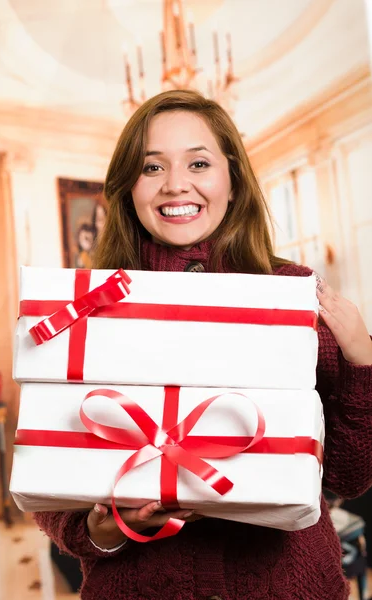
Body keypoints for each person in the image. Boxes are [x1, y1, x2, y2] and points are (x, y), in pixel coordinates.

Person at [34, 90, 372, 600]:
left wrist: (362, 361)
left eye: (198, 161)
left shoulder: (296, 293)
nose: (176, 184)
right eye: (152, 167)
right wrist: (100, 532)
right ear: (128, 187)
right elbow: (51, 458)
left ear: (232, 180)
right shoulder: (86, 306)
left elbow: (350, 476)